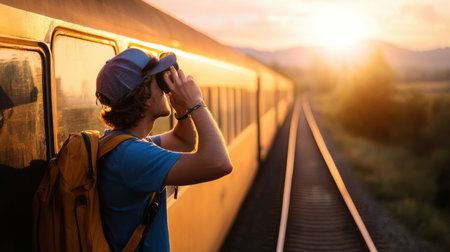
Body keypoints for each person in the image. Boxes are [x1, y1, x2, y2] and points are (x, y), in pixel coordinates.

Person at [95, 48, 232, 252]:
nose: (166, 89)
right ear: (145, 98)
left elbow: (183, 141)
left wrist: (182, 109)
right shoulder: (132, 156)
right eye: (157, 82)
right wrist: (196, 103)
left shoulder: (122, 145)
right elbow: (219, 163)